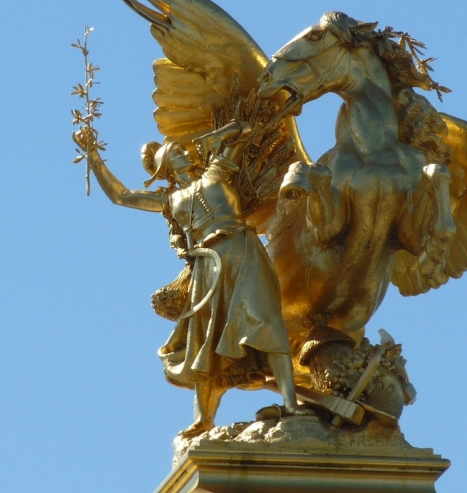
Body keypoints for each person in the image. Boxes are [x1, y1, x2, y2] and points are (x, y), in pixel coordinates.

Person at [73, 121, 309, 437]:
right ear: (168, 167)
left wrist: (222, 134)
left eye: (185, 150)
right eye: (178, 152)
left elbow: (244, 133)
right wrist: (94, 156)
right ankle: (204, 419)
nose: (186, 153)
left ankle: (292, 404)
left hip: (244, 252)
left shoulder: (215, 171)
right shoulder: (170, 201)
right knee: (206, 341)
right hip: (207, 267)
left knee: (267, 322)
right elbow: (122, 196)